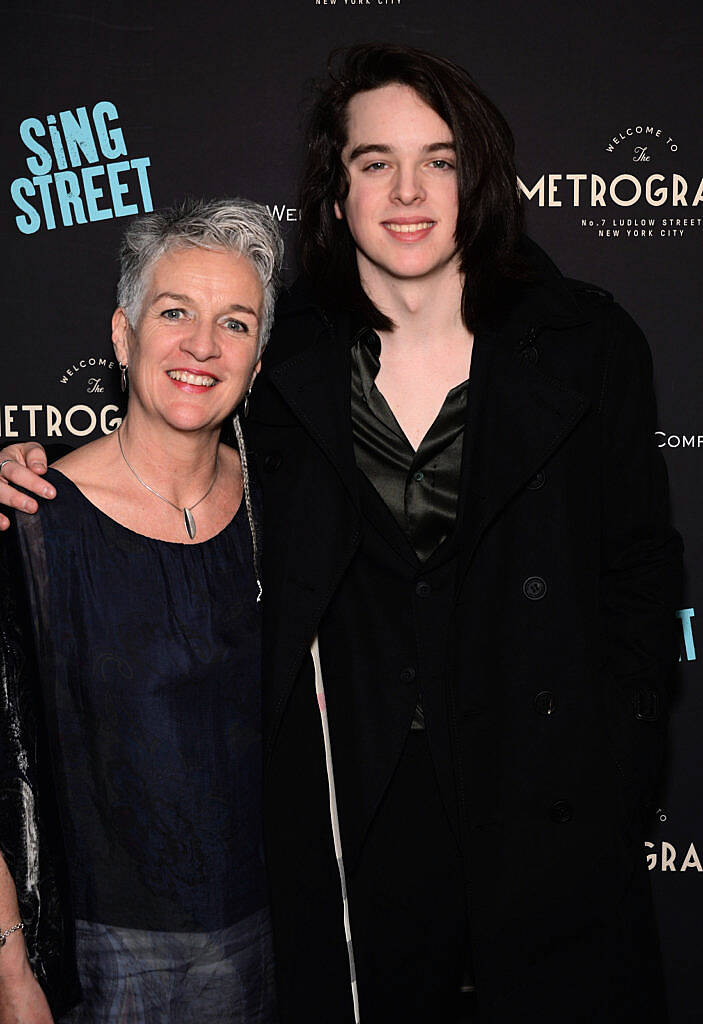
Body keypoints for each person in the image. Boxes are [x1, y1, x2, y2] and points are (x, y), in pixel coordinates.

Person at [1, 44, 683, 1024]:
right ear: (335, 188)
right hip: (356, 830)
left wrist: (614, 766)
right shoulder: (287, 360)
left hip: (543, 807)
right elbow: (171, 430)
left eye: (438, 159)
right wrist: (24, 466)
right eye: (375, 162)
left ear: (477, 176)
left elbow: (641, 575)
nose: (407, 191)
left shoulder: (587, 344)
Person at [0, 198, 283, 1023]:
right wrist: (13, 970)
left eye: (234, 323)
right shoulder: (30, 520)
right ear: (123, 336)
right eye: (174, 313)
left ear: (257, 362)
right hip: (97, 965)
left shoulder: (289, 512)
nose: (201, 345)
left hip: (266, 947)